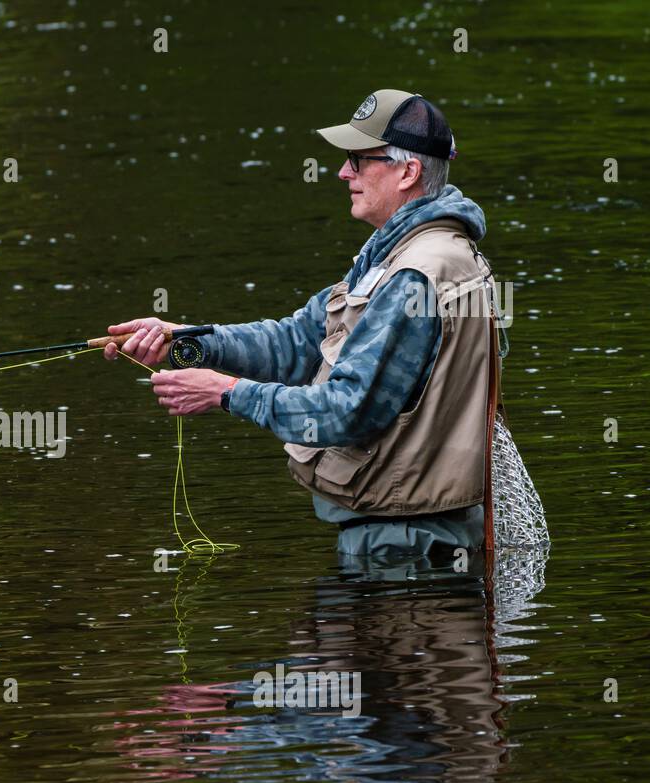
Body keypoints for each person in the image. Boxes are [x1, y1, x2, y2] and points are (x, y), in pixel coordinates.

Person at [106, 89, 501, 561]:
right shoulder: (403, 254)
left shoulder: (415, 274)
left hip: (408, 545)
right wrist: (184, 341)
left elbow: (347, 412)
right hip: (406, 534)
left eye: (358, 160)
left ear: (408, 172)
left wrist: (226, 392)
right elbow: (297, 342)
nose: (343, 173)